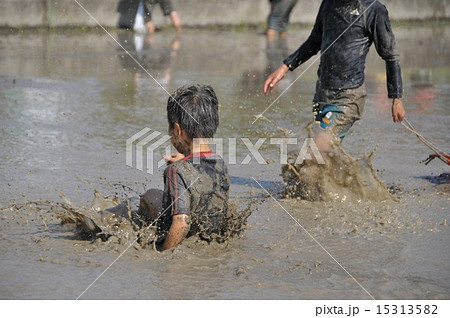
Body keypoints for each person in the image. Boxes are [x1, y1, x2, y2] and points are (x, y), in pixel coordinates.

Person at [263, 0, 405, 149]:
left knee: (317, 149)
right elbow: (313, 42)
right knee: (323, 154)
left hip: (349, 96)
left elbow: (391, 56)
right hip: (323, 94)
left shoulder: (373, 9)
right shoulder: (328, 4)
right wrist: (285, 67)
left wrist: (397, 98)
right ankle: (347, 172)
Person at [109, 84, 229, 251]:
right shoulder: (218, 162)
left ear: (177, 130)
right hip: (208, 230)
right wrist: (185, 160)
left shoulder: (176, 171)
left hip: (178, 230)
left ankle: (88, 223)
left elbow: (181, 223)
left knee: (143, 199)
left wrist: (164, 258)